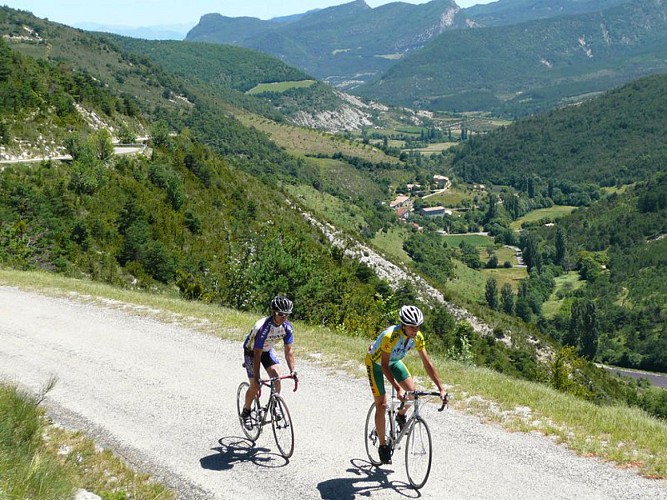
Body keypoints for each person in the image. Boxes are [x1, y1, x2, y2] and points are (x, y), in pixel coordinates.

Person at [365, 305, 447, 465]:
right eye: (411, 326)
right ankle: (382, 446)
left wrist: (441, 388)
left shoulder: (418, 337)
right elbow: (384, 365)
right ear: (403, 324)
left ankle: (400, 415)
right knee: (381, 404)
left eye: (417, 326)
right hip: (376, 364)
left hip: (394, 362)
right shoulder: (391, 336)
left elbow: (427, 363)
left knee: (412, 392)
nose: (415, 330)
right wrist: (397, 388)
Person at [240, 296, 297, 429]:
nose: (284, 317)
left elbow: (289, 351)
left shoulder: (287, 327)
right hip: (252, 351)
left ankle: (274, 405)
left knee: (276, 377)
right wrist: (257, 376)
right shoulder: (263, 327)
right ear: (274, 312)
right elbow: (257, 354)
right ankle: (246, 412)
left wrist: (292, 370)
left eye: (287, 314)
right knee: (254, 385)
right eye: (281, 314)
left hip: (266, 350)